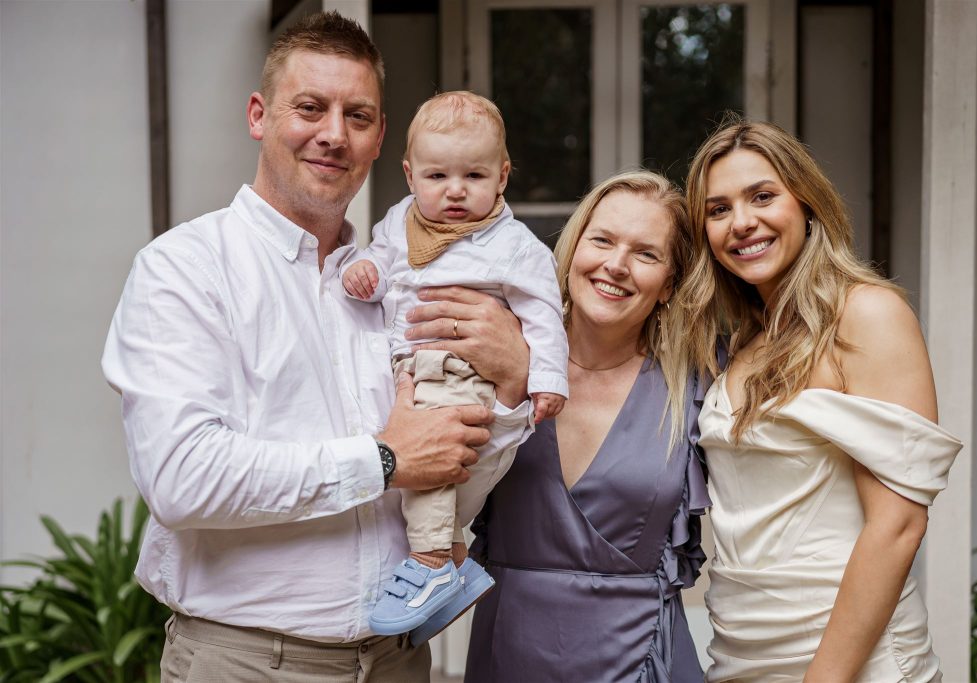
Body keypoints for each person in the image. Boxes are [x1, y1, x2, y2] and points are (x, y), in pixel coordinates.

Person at [101, 12, 531, 681]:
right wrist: (384, 458)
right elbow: (182, 479)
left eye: (358, 116)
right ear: (258, 115)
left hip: (397, 658)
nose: (334, 134)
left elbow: (449, 488)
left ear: (380, 138)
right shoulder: (184, 268)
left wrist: (508, 391)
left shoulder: (399, 289)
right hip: (247, 660)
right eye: (310, 108)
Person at [680, 119, 962, 682]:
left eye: (762, 196)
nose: (742, 223)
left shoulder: (867, 314)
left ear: (807, 202)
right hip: (741, 649)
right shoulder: (741, 343)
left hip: (851, 658)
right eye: (718, 210)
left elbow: (898, 526)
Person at [465, 171, 709, 683]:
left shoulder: (695, 387)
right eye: (601, 240)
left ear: (668, 285)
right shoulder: (500, 357)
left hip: (640, 663)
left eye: (645, 254)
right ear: (574, 248)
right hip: (508, 654)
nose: (615, 265)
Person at [341, 91, 568, 639]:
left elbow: (543, 313)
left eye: (474, 175)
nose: (456, 190)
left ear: (503, 176)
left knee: (430, 463)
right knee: (419, 469)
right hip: (410, 368)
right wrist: (366, 269)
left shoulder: (514, 247)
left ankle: (431, 563)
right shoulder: (400, 222)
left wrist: (548, 379)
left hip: (459, 370)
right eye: (438, 175)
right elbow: (382, 257)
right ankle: (456, 552)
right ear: (409, 174)